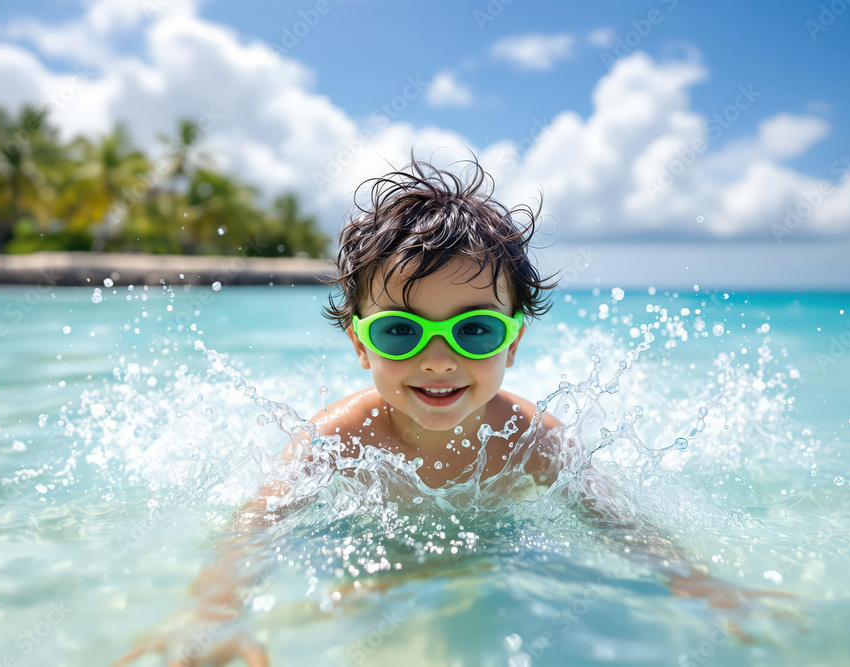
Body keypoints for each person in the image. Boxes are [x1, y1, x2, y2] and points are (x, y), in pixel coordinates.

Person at [116, 155, 788, 667]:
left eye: (474, 331)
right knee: (352, 606)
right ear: (359, 343)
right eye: (401, 332)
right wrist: (214, 607)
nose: (438, 360)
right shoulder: (339, 438)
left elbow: (618, 522)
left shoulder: (529, 439)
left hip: (496, 541)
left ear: (514, 341)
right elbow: (256, 526)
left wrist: (698, 583)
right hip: (369, 546)